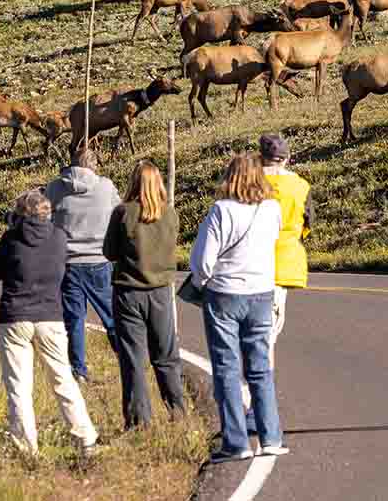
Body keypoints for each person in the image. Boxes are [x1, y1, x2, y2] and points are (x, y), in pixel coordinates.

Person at [0, 187, 99, 456]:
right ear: (48, 213)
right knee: (62, 378)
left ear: (20, 215)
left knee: (19, 385)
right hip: (50, 315)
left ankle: (26, 446)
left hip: (15, 316)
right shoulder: (59, 238)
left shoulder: (11, 238)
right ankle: (85, 436)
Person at [188, 151, 284, 463]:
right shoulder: (272, 209)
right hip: (261, 292)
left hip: (225, 292)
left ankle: (236, 441)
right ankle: (270, 437)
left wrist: (204, 281)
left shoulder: (221, 210)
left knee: (227, 368)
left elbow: (202, 260)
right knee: (259, 367)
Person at [104, 160, 186, 429]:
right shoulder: (170, 214)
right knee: (166, 356)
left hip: (129, 291)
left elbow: (109, 252)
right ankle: (178, 412)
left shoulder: (123, 213)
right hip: (161, 291)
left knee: (133, 359)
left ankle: (139, 421)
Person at [46, 145, 121, 382]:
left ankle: (78, 370)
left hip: (67, 261)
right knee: (111, 316)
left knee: (74, 319)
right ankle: (127, 361)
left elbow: (45, 217)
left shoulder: (56, 187)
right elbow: (119, 213)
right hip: (99, 259)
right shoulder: (105, 187)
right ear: (94, 165)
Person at [259, 132, 313, 360]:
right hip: (283, 266)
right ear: (287, 158)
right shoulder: (301, 186)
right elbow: (307, 223)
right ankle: (261, 389)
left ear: (261, 157)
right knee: (268, 336)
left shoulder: (249, 182)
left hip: (248, 265)